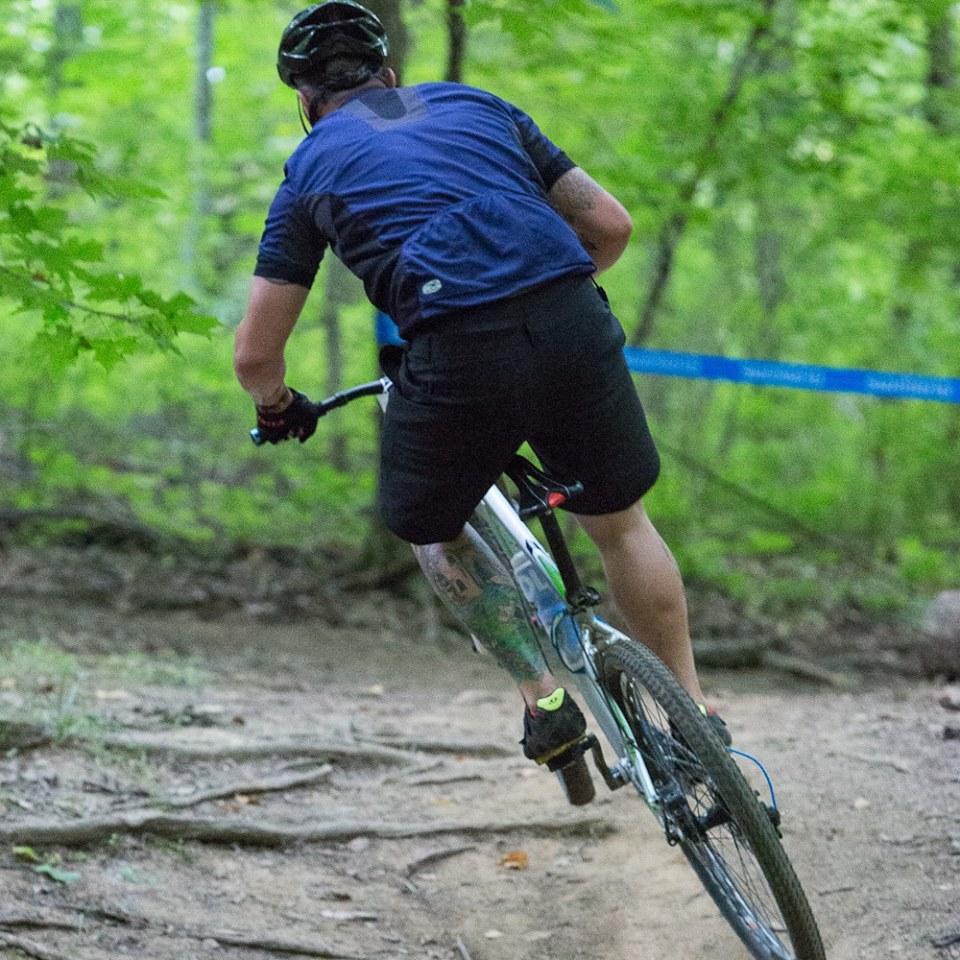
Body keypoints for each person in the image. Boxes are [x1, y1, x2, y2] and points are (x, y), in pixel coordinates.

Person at [234, 1, 729, 793]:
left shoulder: (311, 168)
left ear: (303, 101)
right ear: (389, 75)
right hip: (569, 318)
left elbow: (257, 353)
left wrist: (278, 405)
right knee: (622, 522)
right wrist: (546, 303)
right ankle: (697, 716)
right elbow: (609, 224)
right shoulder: (476, 106)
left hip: (456, 354)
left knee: (435, 524)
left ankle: (543, 698)